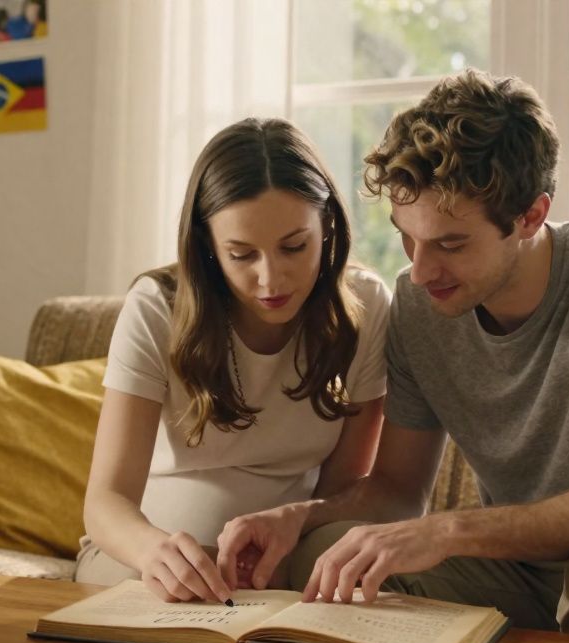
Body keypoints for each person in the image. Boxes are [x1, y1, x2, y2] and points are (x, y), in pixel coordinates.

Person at [218, 69, 569, 643]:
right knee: (333, 551)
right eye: (406, 237)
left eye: (451, 244)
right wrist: (301, 516)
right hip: (518, 568)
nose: (419, 271)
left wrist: (450, 530)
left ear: (531, 216)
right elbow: (395, 487)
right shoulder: (420, 303)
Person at [78, 118, 393, 604]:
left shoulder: (366, 306)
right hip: (142, 558)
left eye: (294, 247)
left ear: (327, 224)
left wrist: (289, 550)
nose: (272, 280)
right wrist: (152, 551)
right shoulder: (156, 307)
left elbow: (343, 496)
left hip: (285, 560)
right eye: (242, 254)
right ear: (208, 246)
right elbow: (106, 503)